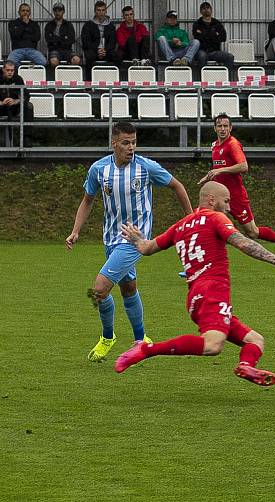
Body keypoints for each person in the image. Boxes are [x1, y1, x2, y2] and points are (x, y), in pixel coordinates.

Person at [114, 182, 275, 382]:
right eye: (226, 201)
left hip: (195, 297)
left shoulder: (181, 225)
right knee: (212, 346)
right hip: (213, 290)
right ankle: (147, 349)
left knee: (255, 340)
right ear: (212, 200)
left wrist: (136, 239)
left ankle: (246, 366)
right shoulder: (215, 218)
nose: (229, 208)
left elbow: (147, 248)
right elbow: (243, 243)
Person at [65, 122, 193, 362]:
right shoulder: (99, 169)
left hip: (135, 239)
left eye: (134, 142)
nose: (131, 147)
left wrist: (192, 218)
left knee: (99, 290)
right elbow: (88, 200)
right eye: (126, 142)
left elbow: (177, 186)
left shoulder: (145, 167)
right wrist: (75, 231)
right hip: (110, 238)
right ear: (114, 143)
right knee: (128, 289)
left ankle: (107, 337)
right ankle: (141, 340)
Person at [198, 113, 275, 259]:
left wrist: (220, 170)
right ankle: (198, 263)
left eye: (225, 126)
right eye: (219, 126)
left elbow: (244, 166)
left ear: (230, 128)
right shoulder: (214, 146)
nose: (222, 129)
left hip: (236, 196)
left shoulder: (233, 144)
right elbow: (218, 168)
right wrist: (210, 176)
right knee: (209, 225)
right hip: (219, 197)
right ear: (215, 128)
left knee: (252, 232)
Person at [0, 60, 34, 146]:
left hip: (14, 108)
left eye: (12, 70)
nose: (10, 72)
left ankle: (27, 138)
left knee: (28, 105)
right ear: (3, 69)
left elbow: (26, 96)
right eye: (8, 70)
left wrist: (15, 101)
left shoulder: (18, 79)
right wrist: (1, 103)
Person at [192, 2, 235, 69]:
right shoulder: (197, 24)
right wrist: (214, 35)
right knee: (202, 57)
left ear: (211, 10)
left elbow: (223, 38)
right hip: (201, 50)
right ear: (200, 11)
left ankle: (225, 77)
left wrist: (204, 34)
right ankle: (202, 79)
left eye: (208, 8)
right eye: (203, 8)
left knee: (230, 57)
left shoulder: (217, 23)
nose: (206, 10)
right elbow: (197, 37)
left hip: (215, 51)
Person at [81, 1, 117, 73]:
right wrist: (97, 50)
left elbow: (112, 42)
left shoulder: (111, 26)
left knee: (117, 57)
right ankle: (89, 81)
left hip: (106, 51)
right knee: (89, 56)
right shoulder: (88, 25)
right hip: (93, 50)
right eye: (98, 10)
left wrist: (105, 50)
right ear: (95, 11)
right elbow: (86, 42)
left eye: (103, 10)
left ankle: (116, 81)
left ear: (106, 11)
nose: (101, 12)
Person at [44, 2, 81, 69]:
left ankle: (69, 76)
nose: (57, 12)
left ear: (63, 11)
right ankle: (56, 78)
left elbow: (71, 40)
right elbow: (48, 40)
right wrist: (63, 38)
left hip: (67, 50)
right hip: (54, 50)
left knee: (76, 60)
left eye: (60, 10)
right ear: (53, 12)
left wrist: (56, 40)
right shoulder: (49, 25)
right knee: (54, 61)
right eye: (55, 11)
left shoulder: (68, 25)